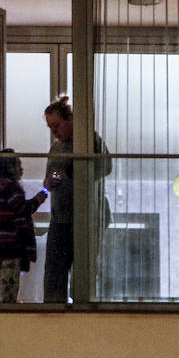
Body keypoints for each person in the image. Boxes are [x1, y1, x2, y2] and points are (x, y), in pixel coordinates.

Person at [42, 96, 113, 304]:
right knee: (54, 269)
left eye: (56, 126)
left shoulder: (89, 141)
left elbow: (106, 166)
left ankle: (82, 305)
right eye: (50, 127)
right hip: (61, 215)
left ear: (70, 120)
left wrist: (71, 173)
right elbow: (48, 181)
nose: (54, 132)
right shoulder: (56, 148)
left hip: (86, 214)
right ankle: (54, 308)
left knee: (83, 267)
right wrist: (51, 180)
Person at [0, 149, 49, 303]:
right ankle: (7, 311)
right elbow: (22, 210)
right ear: (10, 168)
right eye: (18, 165)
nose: (22, 169)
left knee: (4, 284)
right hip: (12, 247)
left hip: (1, 246)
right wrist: (38, 199)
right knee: (9, 288)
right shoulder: (11, 188)